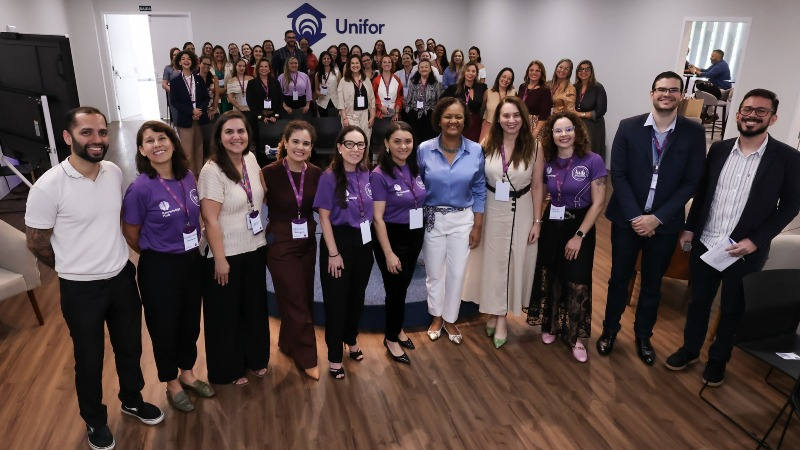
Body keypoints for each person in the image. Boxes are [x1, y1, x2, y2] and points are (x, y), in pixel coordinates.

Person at [25, 107, 164, 450]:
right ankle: (95, 420)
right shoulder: (48, 187)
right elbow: (36, 242)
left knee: (130, 348)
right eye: (86, 132)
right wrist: (71, 266)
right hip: (80, 289)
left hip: (121, 278)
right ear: (68, 137)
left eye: (102, 132)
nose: (97, 139)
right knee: (89, 359)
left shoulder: (113, 172)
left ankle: (132, 399)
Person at [665, 89, 800, 385]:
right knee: (699, 302)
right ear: (738, 114)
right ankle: (690, 350)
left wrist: (756, 240)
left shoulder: (788, 158)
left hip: (745, 250)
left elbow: (791, 205)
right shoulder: (719, 149)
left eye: (761, 111)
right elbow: (703, 193)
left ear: (773, 118)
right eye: (747, 109)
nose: (752, 115)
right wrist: (690, 227)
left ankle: (718, 360)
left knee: (732, 309)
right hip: (707, 242)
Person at [599, 71, 706, 366]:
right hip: (627, 221)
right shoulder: (628, 127)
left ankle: (643, 336)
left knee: (652, 284)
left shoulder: (693, 133)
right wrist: (637, 216)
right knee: (619, 280)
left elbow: (692, 181)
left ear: (681, 95)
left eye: (673, 90)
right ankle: (609, 330)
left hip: (665, 224)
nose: (666, 94)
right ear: (652, 93)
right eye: (661, 89)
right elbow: (618, 174)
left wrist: (657, 218)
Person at [122, 121, 215, 413]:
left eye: (162, 138)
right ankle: (171, 382)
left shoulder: (187, 176)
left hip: (192, 260)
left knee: (190, 321)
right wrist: (157, 251)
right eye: (149, 141)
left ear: (173, 143)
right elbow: (131, 233)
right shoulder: (139, 189)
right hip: (159, 267)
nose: (157, 145)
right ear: (141, 150)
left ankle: (187, 373)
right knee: (164, 327)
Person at [526, 112, 607, 362]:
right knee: (552, 274)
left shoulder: (593, 160)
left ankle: (575, 337)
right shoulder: (548, 161)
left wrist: (579, 235)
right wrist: (537, 222)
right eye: (558, 130)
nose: (563, 135)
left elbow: (598, 203)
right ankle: (551, 325)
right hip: (553, 223)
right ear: (551, 135)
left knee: (577, 280)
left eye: (568, 129)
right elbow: (539, 190)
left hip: (580, 225)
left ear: (577, 131)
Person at [463, 97, 543, 349]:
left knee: (513, 262)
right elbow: (475, 180)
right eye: (506, 115)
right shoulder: (487, 144)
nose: (511, 120)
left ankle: (500, 318)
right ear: (498, 118)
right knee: (493, 264)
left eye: (516, 115)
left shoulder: (535, 146)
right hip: (491, 209)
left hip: (522, 209)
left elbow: (538, 185)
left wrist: (537, 221)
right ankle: (495, 312)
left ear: (524, 118)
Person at [198, 111, 270, 386]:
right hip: (225, 252)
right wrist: (220, 259)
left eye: (241, 131)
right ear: (219, 137)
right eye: (229, 132)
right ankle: (228, 369)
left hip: (255, 245)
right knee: (225, 314)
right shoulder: (211, 170)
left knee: (254, 307)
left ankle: (255, 358)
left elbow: (260, 192)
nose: (236, 137)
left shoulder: (250, 159)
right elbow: (210, 219)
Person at [419, 97, 486, 345]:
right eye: (448, 116)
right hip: (432, 219)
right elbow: (418, 185)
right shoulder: (424, 149)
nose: (453, 121)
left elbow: (479, 189)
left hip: (462, 219)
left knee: (457, 274)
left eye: (458, 116)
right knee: (434, 273)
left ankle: (450, 318)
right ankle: (436, 316)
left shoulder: (476, 150)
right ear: (439, 120)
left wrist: (478, 225)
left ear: (465, 121)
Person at [262, 120, 323, 381]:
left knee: (303, 296)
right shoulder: (269, 173)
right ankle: (308, 356)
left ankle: (288, 342)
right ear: (285, 143)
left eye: (306, 143)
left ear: (311, 147)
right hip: (280, 243)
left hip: (308, 242)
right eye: (295, 141)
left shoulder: (316, 173)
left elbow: (325, 208)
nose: (300, 147)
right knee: (296, 298)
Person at [313, 126, 375, 380]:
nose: (355, 149)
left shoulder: (366, 172)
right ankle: (334, 354)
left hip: (364, 241)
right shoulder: (329, 177)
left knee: (357, 297)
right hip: (338, 241)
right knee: (336, 301)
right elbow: (324, 218)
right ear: (339, 147)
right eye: (350, 144)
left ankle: (351, 338)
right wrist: (333, 253)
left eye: (360, 145)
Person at [370, 121, 426, 364]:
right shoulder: (379, 175)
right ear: (386, 144)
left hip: (414, 234)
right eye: (397, 141)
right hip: (392, 237)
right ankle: (391, 337)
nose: (403, 146)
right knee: (394, 290)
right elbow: (377, 218)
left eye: (408, 141)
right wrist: (388, 253)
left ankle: (397, 328)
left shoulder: (414, 168)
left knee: (402, 287)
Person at [170, 50, 212, 176]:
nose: (186, 61)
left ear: (192, 61)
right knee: (188, 151)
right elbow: (174, 102)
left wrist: (198, 110)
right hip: (185, 119)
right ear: (179, 62)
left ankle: (200, 175)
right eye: (183, 59)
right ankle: (190, 177)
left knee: (199, 148)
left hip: (199, 118)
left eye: (188, 58)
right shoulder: (175, 81)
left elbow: (206, 98)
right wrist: (191, 111)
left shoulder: (198, 79)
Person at [245, 57, 284, 167]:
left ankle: (275, 166)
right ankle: (261, 167)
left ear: (269, 68)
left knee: (275, 143)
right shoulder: (252, 83)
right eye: (261, 66)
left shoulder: (275, 82)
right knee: (259, 144)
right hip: (258, 119)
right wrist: (261, 117)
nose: (263, 68)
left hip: (274, 118)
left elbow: (280, 100)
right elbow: (250, 103)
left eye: (266, 66)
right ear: (257, 68)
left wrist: (275, 116)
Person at [442, 61, 487, 142]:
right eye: (468, 71)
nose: (470, 73)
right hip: (459, 121)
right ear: (464, 72)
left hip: (475, 122)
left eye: (473, 71)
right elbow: (442, 101)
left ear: (477, 74)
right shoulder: (455, 88)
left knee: (473, 145)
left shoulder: (481, 87)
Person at [338, 54, 376, 145]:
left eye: (357, 63)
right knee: (352, 142)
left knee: (365, 141)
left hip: (365, 116)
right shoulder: (344, 81)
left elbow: (372, 99)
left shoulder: (366, 79)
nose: (355, 65)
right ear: (349, 65)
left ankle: (365, 155)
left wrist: (372, 116)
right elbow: (340, 101)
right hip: (350, 116)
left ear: (361, 64)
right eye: (352, 63)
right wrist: (344, 118)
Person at [573, 60, 607, 160]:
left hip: (593, 127)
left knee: (591, 154)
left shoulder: (598, 88)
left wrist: (579, 114)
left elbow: (600, 111)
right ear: (577, 72)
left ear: (591, 71)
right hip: (577, 125)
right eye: (581, 69)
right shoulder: (574, 87)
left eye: (587, 69)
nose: (583, 72)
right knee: (576, 153)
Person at [403, 60, 442, 144]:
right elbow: (409, 100)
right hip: (415, 114)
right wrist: (409, 111)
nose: (424, 69)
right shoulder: (413, 82)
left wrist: (436, 114)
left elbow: (439, 101)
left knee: (429, 140)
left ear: (430, 69)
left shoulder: (436, 83)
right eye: (422, 67)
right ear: (419, 69)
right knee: (415, 140)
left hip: (430, 115)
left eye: (426, 67)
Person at [372, 55, 403, 155]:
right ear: (381, 64)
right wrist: (380, 107)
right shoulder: (376, 80)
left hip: (393, 115)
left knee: (393, 140)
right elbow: (372, 97)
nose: (387, 64)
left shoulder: (397, 80)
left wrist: (396, 112)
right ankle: (379, 160)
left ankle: (392, 159)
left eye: (389, 62)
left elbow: (400, 97)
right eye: (384, 62)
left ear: (392, 64)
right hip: (380, 116)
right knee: (380, 141)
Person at [480, 67, 516, 143]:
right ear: (499, 76)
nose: (505, 80)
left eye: (509, 79)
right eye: (504, 76)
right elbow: (482, 109)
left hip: (506, 129)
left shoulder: (513, 93)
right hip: (489, 127)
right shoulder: (488, 92)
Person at [518, 60, 553, 138]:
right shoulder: (522, 87)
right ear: (528, 72)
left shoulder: (545, 90)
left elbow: (544, 115)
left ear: (541, 73)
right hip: (520, 124)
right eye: (531, 70)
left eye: (537, 71)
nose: (534, 72)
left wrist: (535, 132)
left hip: (535, 126)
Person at [314, 51, 340, 117]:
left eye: (328, 58)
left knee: (335, 120)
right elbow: (316, 89)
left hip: (335, 101)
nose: (326, 60)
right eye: (324, 59)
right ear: (321, 60)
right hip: (323, 102)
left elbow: (340, 87)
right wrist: (319, 93)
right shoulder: (318, 74)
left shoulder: (337, 72)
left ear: (331, 60)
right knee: (324, 121)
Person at [162, 47, 181, 123]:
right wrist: (173, 91)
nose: (176, 56)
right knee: (177, 118)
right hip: (174, 96)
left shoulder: (185, 67)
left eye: (178, 54)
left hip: (185, 96)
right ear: (171, 57)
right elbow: (164, 84)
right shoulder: (168, 68)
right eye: (174, 55)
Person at [211, 45, 232, 113]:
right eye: (217, 53)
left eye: (221, 53)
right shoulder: (210, 67)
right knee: (218, 116)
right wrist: (217, 90)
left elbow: (233, 80)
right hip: (215, 96)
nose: (219, 54)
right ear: (213, 54)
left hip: (227, 95)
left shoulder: (230, 65)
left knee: (228, 116)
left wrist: (225, 89)